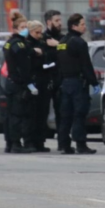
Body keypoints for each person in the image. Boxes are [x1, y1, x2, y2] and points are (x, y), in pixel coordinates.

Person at [57, 13, 100, 155]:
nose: (84, 27)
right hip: (77, 83)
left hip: (65, 83)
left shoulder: (62, 42)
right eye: (82, 24)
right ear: (74, 26)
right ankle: (81, 144)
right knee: (79, 114)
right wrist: (94, 82)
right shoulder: (79, 43)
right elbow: (86, 65)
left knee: (66, 115)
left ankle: (64, 145)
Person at [3, 12, 39, 154]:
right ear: (16, 29)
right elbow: (23, 67)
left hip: (11, 83)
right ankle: (17, 144)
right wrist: (29, 84)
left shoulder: (9, 43)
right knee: (19, 116)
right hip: (19, 84)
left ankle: (10, 143)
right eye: (23, 26)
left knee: (11, 115)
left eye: (26, 26)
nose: (25, 29)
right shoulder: (19, 44)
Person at [25, 21, 52, 153]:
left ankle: (40, 141)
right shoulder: (27, 44)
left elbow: (47, 56)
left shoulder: (41, 42)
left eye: (41, 32)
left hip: (43, 80)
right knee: (32, 114)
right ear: (30, 31)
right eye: (37, 32)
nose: (39, 35)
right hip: (33, 81)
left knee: (43, 113)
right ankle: (29, 141)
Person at [43, 10, 63, 149]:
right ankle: (38, 141)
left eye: (60, 20)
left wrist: (58, 44)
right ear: (49, 22)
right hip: (44, 80)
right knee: (41, 112)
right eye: (56, 21)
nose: (60, 23)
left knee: (62, 112)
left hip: (59, 79)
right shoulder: (42, 38)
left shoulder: (62, 38)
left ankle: (63, 143)